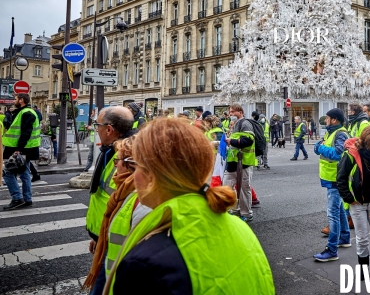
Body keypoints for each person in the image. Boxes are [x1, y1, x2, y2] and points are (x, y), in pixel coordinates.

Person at [105, 118, 275, 294]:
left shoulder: (145, 264)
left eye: (135, 165)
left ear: (152, 174)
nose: (133, 175)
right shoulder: (240, 227)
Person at [83, 136, 152, 295]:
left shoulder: (139, 199)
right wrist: (101, 239)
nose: (115, 167)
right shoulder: (125, 190)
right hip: (112, 267)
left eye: (117, 161)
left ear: (131, 164)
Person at [337, 126, 370, 281]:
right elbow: (340, 178)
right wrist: (349, 198)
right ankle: (363, 271)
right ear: (368, 139)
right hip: (358, 203)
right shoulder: (350, 155)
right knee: (362, 238)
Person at [86, 107, 135, 249]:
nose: (96, 129)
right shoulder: (110, 149)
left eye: (97, 125)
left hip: (115, 237)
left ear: (109, 130)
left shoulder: (126, 156)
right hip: (105, 232)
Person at [313, 108, 351, 261]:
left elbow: (338, 153)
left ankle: (332, 249)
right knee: (339, 208)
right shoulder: (332, 132)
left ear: (334, 120)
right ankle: (345, 237)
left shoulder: (340, 133)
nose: (325, 120)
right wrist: (319, 146)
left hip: (336, 178)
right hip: (332, 177)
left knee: (333, 213)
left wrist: (319, 147)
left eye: (327, 118)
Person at [2, 94, 41, 210]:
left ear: (21, 100)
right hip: (26, 149)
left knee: (7, 173)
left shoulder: (26, 113)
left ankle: (17, 198)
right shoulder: (23, 112)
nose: (14, 101)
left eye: (16, 99)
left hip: (21, 149)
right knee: (25, 174)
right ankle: (27, 199)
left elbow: (26, 132)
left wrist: (18, 150)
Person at [224, 104, 255, 222]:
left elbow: (248, 141)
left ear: (240, 112)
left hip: (244, 161)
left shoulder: (245, 124)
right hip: (233, 161)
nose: (230, 114)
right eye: (230, 112)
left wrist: (231, 141)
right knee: (227, 186)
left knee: (244, 188)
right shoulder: (235, 124)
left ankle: (246, 213)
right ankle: (235, 209)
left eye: (232, 112)